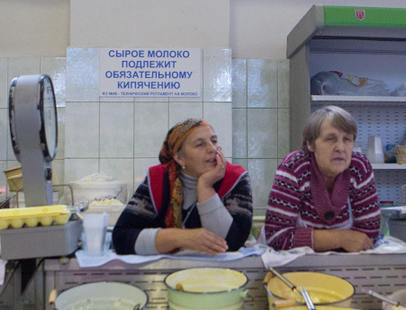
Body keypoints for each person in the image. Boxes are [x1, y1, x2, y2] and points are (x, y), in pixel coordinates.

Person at [113, 118, 253, 255]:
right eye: (200, 144)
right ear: (180, 158)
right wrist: (181, 238)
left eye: (214, 141)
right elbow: (122, 239)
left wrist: (205, 187)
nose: (212, 149)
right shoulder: (159, 179)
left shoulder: (236, 178)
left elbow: (232, 244)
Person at [261, 105, 380, 252]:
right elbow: (277, 238)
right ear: (311, 144)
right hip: (292, 265)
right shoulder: (294, 167)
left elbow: (368, 236)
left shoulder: (359, 168)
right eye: (331, 139)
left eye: (347, 139)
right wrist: (342, 239)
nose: (341, 148)